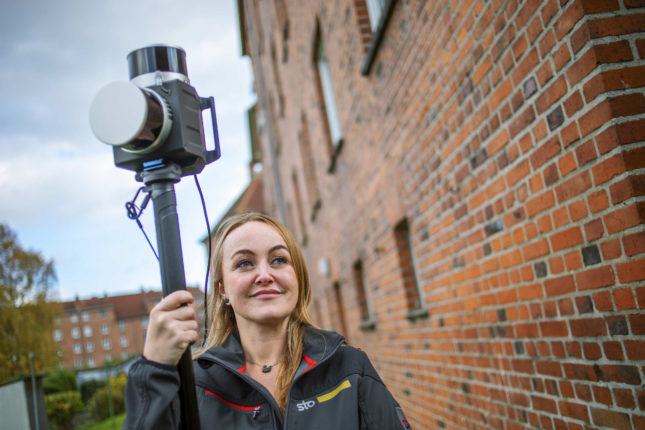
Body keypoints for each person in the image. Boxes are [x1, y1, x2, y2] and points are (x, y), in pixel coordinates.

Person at [124, 211, 412, 429]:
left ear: (297, 277)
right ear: (223, 289)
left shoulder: (349, 368)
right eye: (244, 263)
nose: (265, 275)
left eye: (278, 260)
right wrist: (154, 367)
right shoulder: (196, 385)